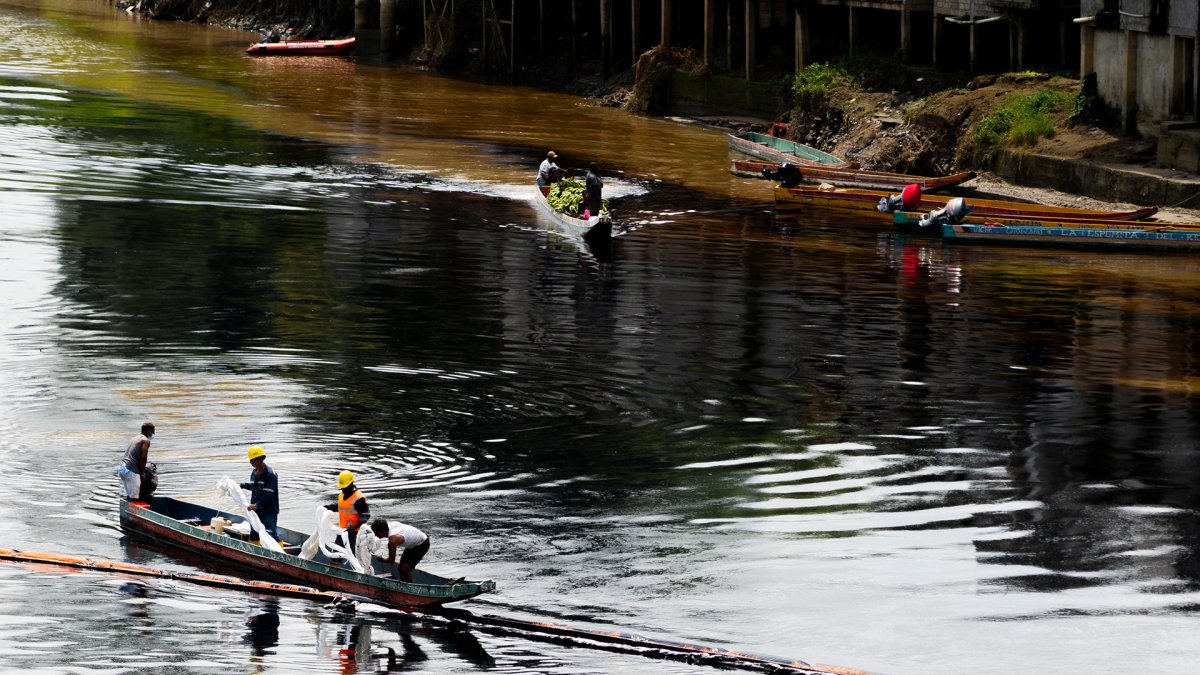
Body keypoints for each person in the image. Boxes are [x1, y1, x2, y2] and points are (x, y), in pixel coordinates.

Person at [369, 518, 429, 583]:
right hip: (413, 543)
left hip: (422, 543)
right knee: (399, 567)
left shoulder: (393, 540)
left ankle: (410, 587)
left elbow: (391, 560)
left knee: (405, 569)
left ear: (381, 531)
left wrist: (382, 559)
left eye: (376, 533)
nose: (375, 535)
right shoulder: (389, 525)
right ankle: (403, 583)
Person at [240, 446, 279, 541]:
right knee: (254, 534)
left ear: (261, 459)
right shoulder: (254, 472)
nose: (251, 463)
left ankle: (278, 553)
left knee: (271, 534)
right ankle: (253, 553)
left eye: (253, 460)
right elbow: (253, 486)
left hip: (268, 511)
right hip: (255, 511)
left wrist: (257, 505)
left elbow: (268, 494)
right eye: (250, 461)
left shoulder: (271, 474)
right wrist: (241, 485)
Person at [325, 471, 370, 549]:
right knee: (336, 556)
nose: (343, 489)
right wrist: (326, 507)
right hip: (343, 531)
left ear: (351, 483)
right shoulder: (342, 495)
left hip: (356, 534)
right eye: (342, 487)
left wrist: (352, 529)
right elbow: (340, 506)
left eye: (345, 487)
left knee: (352, 557)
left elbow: (365, 517)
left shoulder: (359, 499)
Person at [117, 422, 154, 502]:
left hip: (122, 468)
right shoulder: (145, 440)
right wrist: (142, 473)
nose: (153, 434)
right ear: (148, 431)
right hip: (131, 471)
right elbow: (143, 458)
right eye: (152, 431)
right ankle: (134, 514)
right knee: (134, 498)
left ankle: (127, 513)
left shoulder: (134, 438)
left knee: (129, 495)